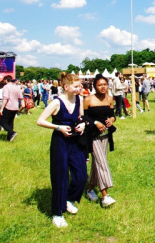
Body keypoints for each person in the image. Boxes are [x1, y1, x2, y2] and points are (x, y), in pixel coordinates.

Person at [36, 72, 87, 228]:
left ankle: (68, 199)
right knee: (60, 176)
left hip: (75, 141)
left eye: (80, 86)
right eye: (76, 86)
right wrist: (58, 127)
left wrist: (83, 124)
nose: (80, 88)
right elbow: (40, 121)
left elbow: (81, 117)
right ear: (66, 87)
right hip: (60, 142)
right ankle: (57, 213)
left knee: (81, 175)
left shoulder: (79, 99)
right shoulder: (57, 103)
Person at [83, 75, 117, 208]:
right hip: (92, 135)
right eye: (99, 85)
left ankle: (90, 189)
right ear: (94, 86)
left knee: (97, 163)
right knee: (102, 163)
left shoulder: (109, 99)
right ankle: (105, 195)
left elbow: (112, 114)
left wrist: (112, 120)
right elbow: (83, 117)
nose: (103, 87)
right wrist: (95, 122)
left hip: (105, 135)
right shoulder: (88, 99)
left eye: (105, 84)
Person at [0, 75, 23, 143]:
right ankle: (9, 138)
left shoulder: (6, 87)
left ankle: (12, 132)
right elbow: (21, 97)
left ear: (6, 80)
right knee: (10, 122)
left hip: (8, 106)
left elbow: (5, 98)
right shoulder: (16, 87)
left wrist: (2, 108)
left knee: (3, 122)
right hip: (15, 106)